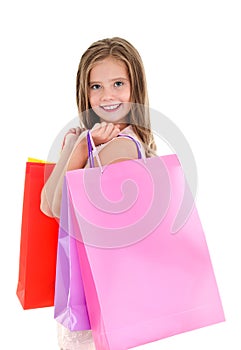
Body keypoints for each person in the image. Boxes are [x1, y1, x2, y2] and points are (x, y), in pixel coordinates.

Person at [40, 36, 157, 350]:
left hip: (104, 306)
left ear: (136, 89)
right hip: (96, 298)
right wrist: (78, 147)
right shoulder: (99, 143)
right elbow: (45, 202)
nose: (108, 96)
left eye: (118, 83)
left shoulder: (121, 147)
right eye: (96, 86)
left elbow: (55, 206)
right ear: (85, 92)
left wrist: (77, 150)